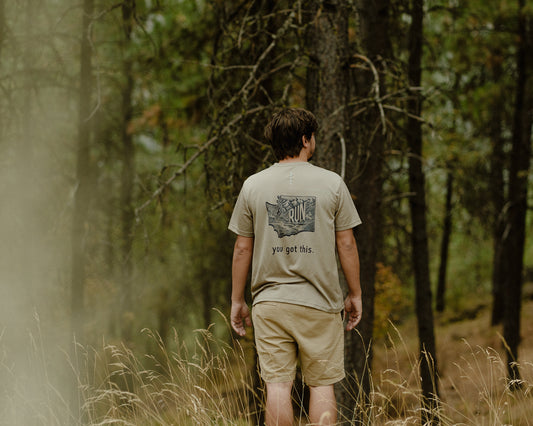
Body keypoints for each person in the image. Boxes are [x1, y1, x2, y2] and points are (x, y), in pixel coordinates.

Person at [228, 108, 362, 426]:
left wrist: (237, 300)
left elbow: (242, 247)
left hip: (270, 303)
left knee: (276, 386)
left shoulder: (252, 186)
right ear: (305, 139)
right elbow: (346, 244)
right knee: (321, 385)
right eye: (312, 136)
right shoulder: (332, 183)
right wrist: (355, 293)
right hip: (320, 303)